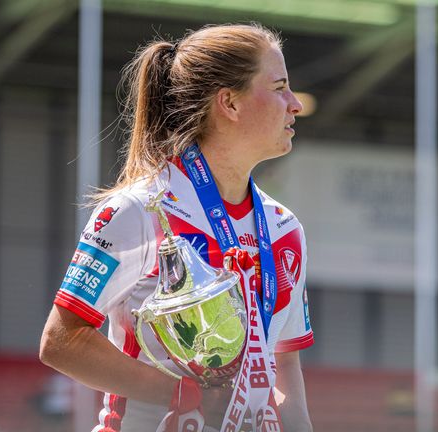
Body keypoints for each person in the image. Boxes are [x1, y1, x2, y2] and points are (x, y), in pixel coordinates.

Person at [40, 23, 314, 432]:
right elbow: (61, 341)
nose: (294, 104)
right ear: (230, 104)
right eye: (279, 88)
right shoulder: (139, 209)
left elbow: (284, 363)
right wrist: (181, 393)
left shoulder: (283, 228)